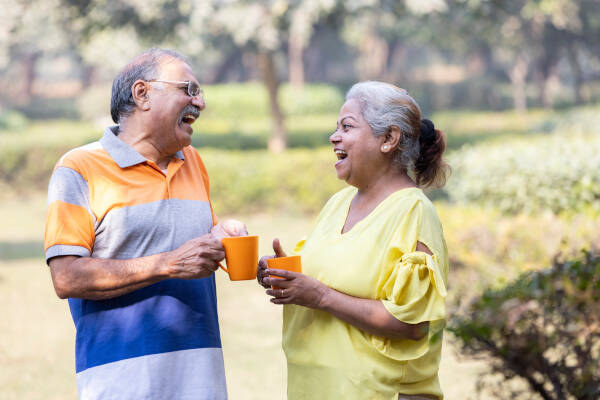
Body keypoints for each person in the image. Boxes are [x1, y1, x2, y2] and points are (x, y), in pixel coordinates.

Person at [44, 48, 246, 399]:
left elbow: (193, 241)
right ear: (142, 94)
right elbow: (66, 277)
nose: (199, 102)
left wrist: (223, 235)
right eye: (188, 88)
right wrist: (167, 264)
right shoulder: (78, 168)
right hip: (122, 379)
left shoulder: (193, 161)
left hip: (201, 377)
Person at [258, 81, 450, 400]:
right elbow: (323, 276)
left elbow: (412, 324)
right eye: (336, 127)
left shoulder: (414, 212)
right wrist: (283, 273)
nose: (334, 137)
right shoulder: (339, 203)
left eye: (347, 127)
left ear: (388, 139)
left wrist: (320, 296)